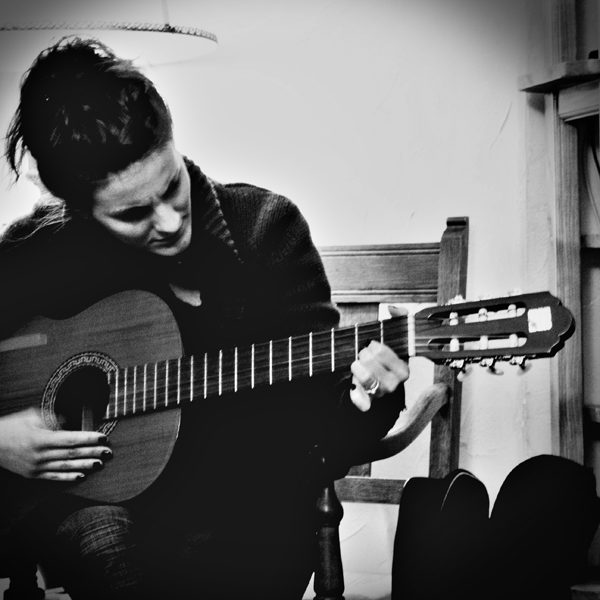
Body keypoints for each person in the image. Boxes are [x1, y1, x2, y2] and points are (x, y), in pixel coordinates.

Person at [0, 37, 409, 599]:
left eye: (172, 186)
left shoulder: (267, 231)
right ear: (81, 211)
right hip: (101, 519)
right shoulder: (42, 253)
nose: (170, 221)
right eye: (133, 213)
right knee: (103, 540)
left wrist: (370, 398)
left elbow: (320, 433)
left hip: (246, 516)